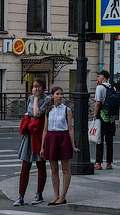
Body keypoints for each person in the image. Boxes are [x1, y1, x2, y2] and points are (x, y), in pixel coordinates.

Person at [14, 78, 49, 206]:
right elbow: (28, 114)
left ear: (43, 87)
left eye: (39, 86)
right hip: (30, 134)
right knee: (25, 165)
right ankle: (20, 196)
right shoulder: (30, 98)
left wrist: (34, 99)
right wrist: (33, 100)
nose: (36, 89)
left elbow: (36, 113)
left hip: (40, 134)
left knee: (40, 164)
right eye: (34, 86)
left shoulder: (47, 99)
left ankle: (39, 194)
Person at [40, 86, 77, 206]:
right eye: (57, 94)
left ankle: (63, 196)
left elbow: (70, 129)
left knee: (66, 169)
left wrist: (73, 145)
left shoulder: (67, 110)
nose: (60, 96)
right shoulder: (48, 110)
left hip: (63, 137)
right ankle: (56, 195)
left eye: (61, 94)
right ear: (52, 96)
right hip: (51, 138)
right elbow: (45, 129)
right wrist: (42, 147)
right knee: (54, 170)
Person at [93, 70, 116, 169]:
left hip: (102, 114)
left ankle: (98, 162)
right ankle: (109, 163)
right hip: (111, 116)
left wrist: (94, 115)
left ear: (103, 77)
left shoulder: (100, 87)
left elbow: (98, 102)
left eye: (99, 76)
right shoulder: (113, 87)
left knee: (99, 139)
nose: (97, 78)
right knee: (109, 140)